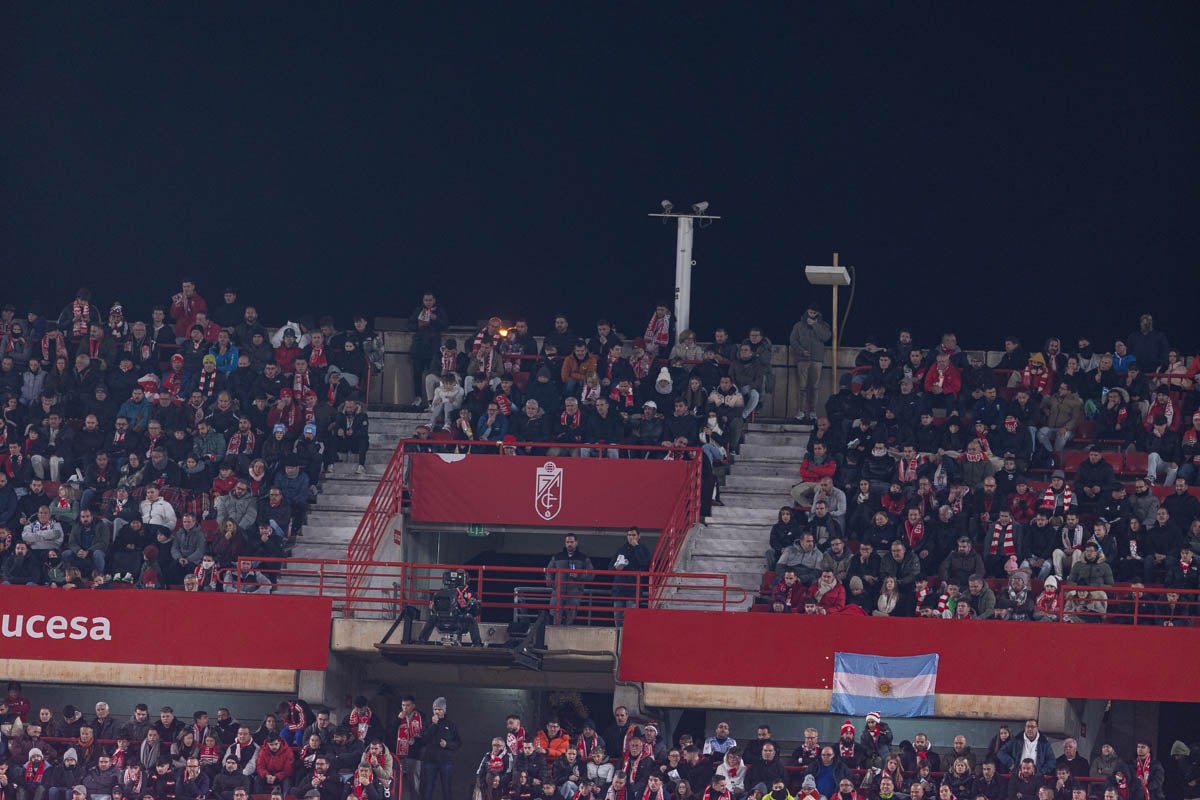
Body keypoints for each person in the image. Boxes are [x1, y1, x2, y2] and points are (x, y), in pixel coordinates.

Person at [790, 303, 832, 423]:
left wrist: (815, 325)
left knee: (814, 387)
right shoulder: (798, 325)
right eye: (810, 312)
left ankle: (812, 412)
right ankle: (801, 412)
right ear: (807, 311)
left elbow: (826, 337)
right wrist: (801, 351)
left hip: (817, 359)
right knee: (802, 387)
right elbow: (793, 340)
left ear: (818, 314)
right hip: (803, 359)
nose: (812, 314)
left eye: (814, 313)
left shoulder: (823, 325)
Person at [546, 534, 595, 625]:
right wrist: (552, 584)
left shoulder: (583, 558)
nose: (569, 544)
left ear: (576, 543)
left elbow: (591, 574)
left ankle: (566, 638)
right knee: (555, 618)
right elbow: (549, 571)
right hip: (558, 593)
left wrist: (579, 576)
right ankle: (555, 638)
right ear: (565, 543)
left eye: (571, 542)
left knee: (570, 619)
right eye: (567, 542)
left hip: (574, 594)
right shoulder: (557, 557)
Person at [419, 698, 459, 800]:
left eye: (439, 709)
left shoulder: (451, 725)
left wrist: (447, 745)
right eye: (435, 709)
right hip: (430, 761)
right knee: (428, 788)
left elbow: (458, 743)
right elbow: (423, 740)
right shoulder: (428, 723)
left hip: (446, 762)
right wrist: (434, 725)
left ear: (444, 710)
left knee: (446, 789)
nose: (437, 711)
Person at [612, 527, 651, 623]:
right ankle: (618, 637)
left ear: (639, 537)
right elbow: (611, 566)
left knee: (631, 616)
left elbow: (645, 563)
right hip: (619, 588)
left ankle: (628, 637)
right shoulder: (621, 549)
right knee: (618, 616)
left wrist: (637, 547)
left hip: (633, 589)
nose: (631, 537)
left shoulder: (643, 549)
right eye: (629, 535)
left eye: (633, 535)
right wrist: (616, 568)